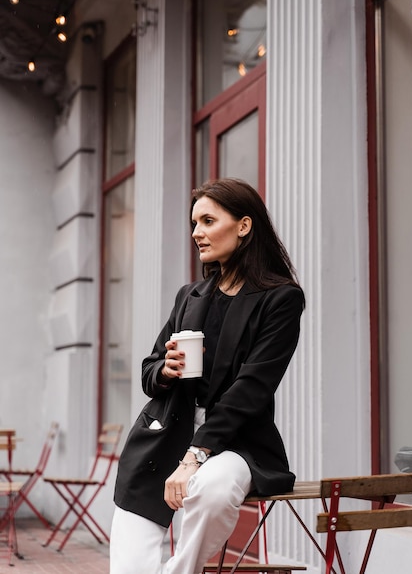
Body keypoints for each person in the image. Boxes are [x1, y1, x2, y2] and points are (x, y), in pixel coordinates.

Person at [110, 178, 305, 574]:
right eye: (193, 223)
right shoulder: (190, 296)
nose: (197, 233)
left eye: (208, 221)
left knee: (212, 489)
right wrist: (164, 371)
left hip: (235, 442)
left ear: (244, 226)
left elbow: (252, 388)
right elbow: (149, 371)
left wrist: (195, 456)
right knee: (129, 562)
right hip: (162, 437)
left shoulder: (281, 299)